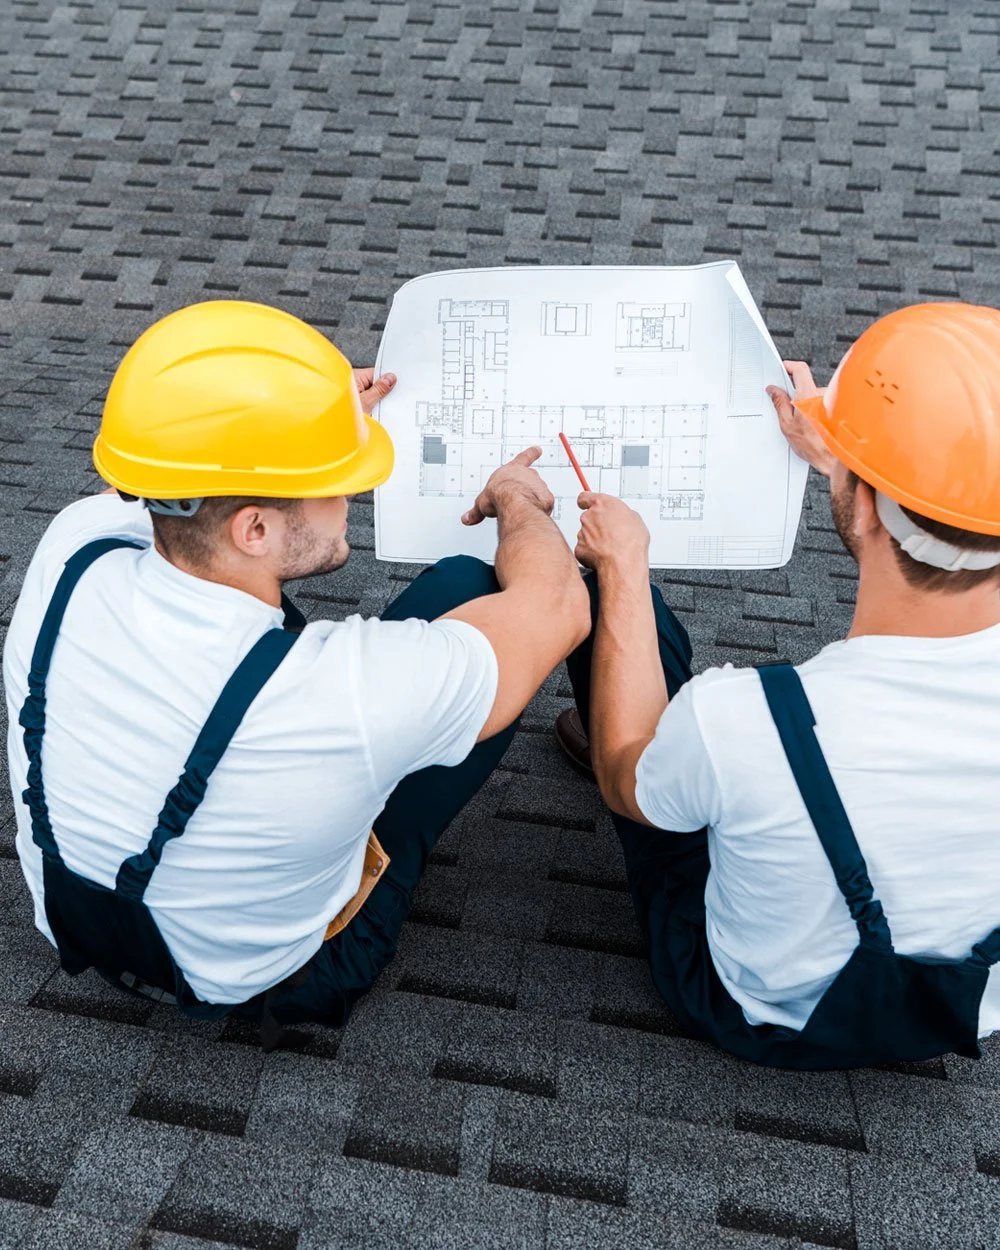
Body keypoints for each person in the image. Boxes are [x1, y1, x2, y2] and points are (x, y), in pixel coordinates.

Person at [3, 299, 589, 1046]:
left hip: (71, 921)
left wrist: (301, 421)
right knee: (471, 592)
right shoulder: (342, 689)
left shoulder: (71, 547)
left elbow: (168, 465)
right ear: (255, 527)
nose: (351, 494)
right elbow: (558, 605)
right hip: (265, 978)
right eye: (335, 479)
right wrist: (518, 501)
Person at [555, 302, 1000, 1069]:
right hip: (962, 1010)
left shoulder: (745, 720)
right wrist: (849, 463)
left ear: (863, 503)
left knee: (647, 758)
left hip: (751, 1006)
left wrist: (623, 569)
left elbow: (627, 773)